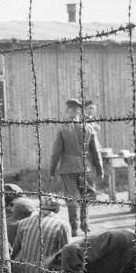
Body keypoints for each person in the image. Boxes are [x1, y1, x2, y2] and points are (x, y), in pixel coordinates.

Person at [50, 98, 104, 237]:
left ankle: (74, 227)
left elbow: (56, 152)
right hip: (85, 167)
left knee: (71, 197)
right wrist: (99, 169)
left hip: (68, 168)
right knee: (85, 196)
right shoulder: (89, 127)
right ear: (79, 112)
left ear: (68, 111)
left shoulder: (62, 128)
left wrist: (52, 169)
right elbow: (95, 150)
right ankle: (85, 224)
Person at [11, 194, 69, 273]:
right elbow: (66, 254)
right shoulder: (62, 225)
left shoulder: (24, 222)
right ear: (57, 208)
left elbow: (15, 250)